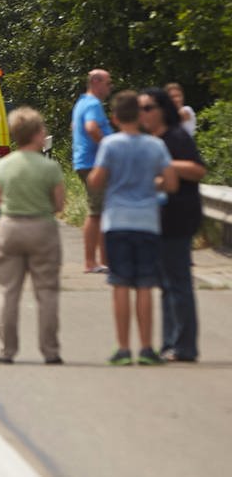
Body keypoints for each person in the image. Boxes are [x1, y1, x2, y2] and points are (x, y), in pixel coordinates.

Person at [87, 90, 178, 366]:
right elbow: (171, 183)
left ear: (114, 118)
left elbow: (96, 181)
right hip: (147, 222)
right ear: (139, 116)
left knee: (121, 285)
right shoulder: (155, 146)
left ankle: (124, 348)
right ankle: (148, 348)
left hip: (117, 221)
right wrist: (155, 184)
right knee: (145, 286)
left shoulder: (111, 145)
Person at [0, 107, 65, 365]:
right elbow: (59, 204)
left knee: (8, 291)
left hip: (9, 227)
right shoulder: (49, 168)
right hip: (41, 227)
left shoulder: (3, 165)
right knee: (46, 291)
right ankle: (50, 350)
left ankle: (6, 350)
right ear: (35, 134)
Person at [140, 87, 206, 362]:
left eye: (147, 108)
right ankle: (170, 343)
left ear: (162, 110)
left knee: (178, 283)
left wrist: (165, 165)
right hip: (158, 219)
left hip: (179, 217)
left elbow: (197, 169)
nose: (143, 114)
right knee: (166, 284)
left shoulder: (176, 137)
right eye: (140, 108)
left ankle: (185, 345)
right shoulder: (151, 139)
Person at [72, 69, 113, 274]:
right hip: (93, 163)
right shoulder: (93, 104)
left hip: (85, 161)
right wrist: (109, 148)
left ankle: (103, 260)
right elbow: (91, 128)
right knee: (97, 211)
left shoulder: (81, 103)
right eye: (107, 83)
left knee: (101, 211)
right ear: (96, 82)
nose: (110, 87)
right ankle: (91, 262)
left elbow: (74, 127)